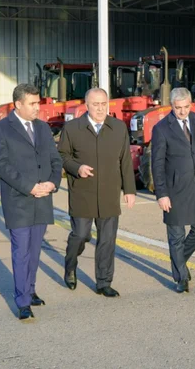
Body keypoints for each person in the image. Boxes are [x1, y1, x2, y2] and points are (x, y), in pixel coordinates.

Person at [0, 83, 62, 322]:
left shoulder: (42, 128)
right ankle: (22, 301)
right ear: (18, 104)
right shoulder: (1, 129)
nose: (37, 108)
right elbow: (2, 165)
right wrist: (29, 187)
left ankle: (30, 290)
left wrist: (52, 183)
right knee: (21, 251)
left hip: (42, 199)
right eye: (32, 103)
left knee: (34, 250)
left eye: (38, 102)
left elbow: (55, 159)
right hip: (19, 199)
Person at [58, 88, 136, 297]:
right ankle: (70, 265)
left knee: (107, 240)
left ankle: (103, 282)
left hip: (109, 193)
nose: (100, 108)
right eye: (95, 104)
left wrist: (129, 189)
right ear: (86, 105)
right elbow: (62, 156)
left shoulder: (119, 128)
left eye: (104, 104)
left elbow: (125, 161)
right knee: (81, 235)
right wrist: (77, 168)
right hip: (82, 192)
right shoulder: (72, 128)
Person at [151, 87, 195, 293]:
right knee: (176, 236)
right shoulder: (161, 128)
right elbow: (157, 164)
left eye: (186, 107)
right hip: (174, 189)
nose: (182, 112)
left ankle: (179, 260)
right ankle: (181, 276)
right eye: (178, 108)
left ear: (191, 104)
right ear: (171, 106)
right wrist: (161, 194)